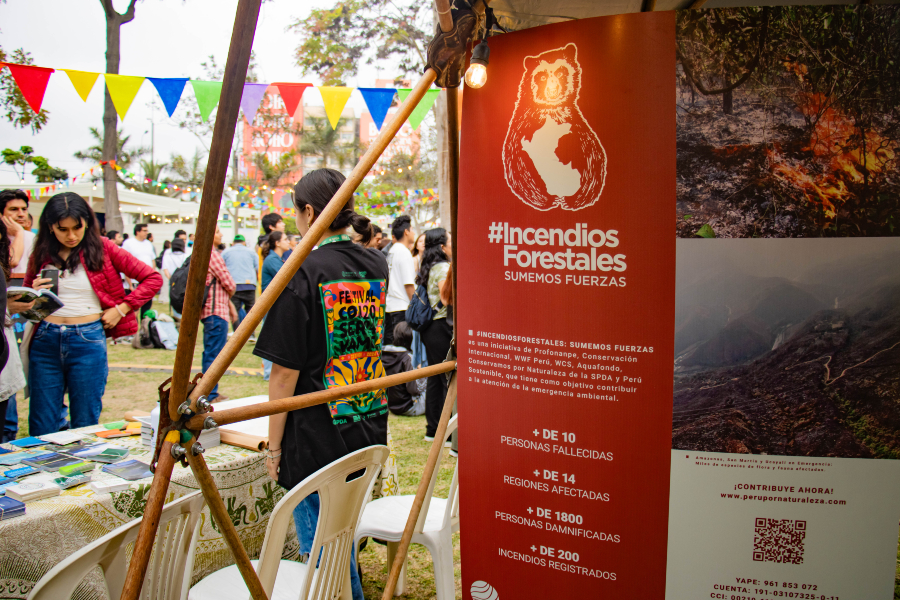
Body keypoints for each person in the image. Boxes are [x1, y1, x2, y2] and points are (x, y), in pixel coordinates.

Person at [254, 168, 387, 600]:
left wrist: (274, 447)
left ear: (309, 212)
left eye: (296, 211)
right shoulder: (375, 262)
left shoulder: (301, 270)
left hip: (316, 432)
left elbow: (283, 373)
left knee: (322, 554)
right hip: (365, 414)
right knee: (341, 537)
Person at [24, 193, 162, 435]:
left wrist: (121, 309)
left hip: (87, 338)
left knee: (85, 422)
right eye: (63, 229)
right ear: (50, 226)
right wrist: (33, 293)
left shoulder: (104, 247)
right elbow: (27, 303)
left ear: (87, 222)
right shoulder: (41, 252)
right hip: (45, 338)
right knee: (41, 424)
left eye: (77, 227)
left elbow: (153, 279)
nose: (71, 235)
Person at [417, 227, 452, 441]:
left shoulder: (429, 265)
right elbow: (446, 298)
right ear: (442, 246)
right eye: (449, 240)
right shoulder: (442, 267)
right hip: (441, 326)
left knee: (435, 378)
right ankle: (446, 433)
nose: (452, 244)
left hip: (431, 328)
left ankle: (433, 429)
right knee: (446, 378)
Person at [200, 226, 237, 402]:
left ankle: (209, 391)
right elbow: (229, 283)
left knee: (211, 353)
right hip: (216, 311)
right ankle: (209, 393)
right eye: (217, 231)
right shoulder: (212, 255)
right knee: (214, 355)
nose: (221, 234)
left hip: (209, 311)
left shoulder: (201, 254)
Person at [259, 231, 291, 381]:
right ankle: (268, 373)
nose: (288, 242)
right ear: (277, 243)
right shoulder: (272, 260)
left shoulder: (276, 258)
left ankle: (269, 372)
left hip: (274, 305)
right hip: (271, 305)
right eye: (285, 239)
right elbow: (287, 277)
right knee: (270, 339)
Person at [384, 215, 416, 347]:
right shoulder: (403, 252)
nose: (414, 233)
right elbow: (408, 284)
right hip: (402, 308)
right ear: (406, 231)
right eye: (412, 229)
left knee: (392, 349)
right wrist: (415, 307)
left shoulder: (391, 251)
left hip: (390, 307)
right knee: (403, 350)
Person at [383, 321, 425, 416]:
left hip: (389, 405)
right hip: (408, 407)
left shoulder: (384, 353)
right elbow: (414, 390)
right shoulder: (407, 358)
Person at [222, 234, 259, 332]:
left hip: (234, 285)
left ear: (233, 243)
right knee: (251, 311)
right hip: (249, 284)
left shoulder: (226, 252)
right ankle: (251, 334)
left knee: (235, 311)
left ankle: (237, 334)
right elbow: (257, 268)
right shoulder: (251, 252)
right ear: (244, 242)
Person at [122, 223, 157, 317]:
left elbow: (152, 260)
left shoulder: (148, 244)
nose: (147, 233)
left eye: (147, 230)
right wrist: (129, 283)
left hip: (147, 281)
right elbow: (125, 263)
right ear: (137, 232)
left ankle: (144, 325)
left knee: (146, 308)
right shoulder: (129, 243)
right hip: (134, 281)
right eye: (144, 230)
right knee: (133, 309)